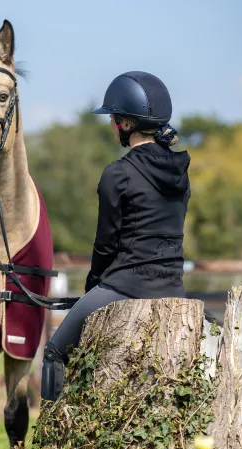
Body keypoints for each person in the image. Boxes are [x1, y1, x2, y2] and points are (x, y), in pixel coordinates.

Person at [41, 71, 191, 402]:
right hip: (174, 287)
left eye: (112, 117)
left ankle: (48, 442)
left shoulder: (117, 174)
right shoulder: (181, 172)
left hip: (125, 286)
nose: (110, 124)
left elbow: (106, 245)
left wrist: (92, 289)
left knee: (54, 351)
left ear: (124, 123)